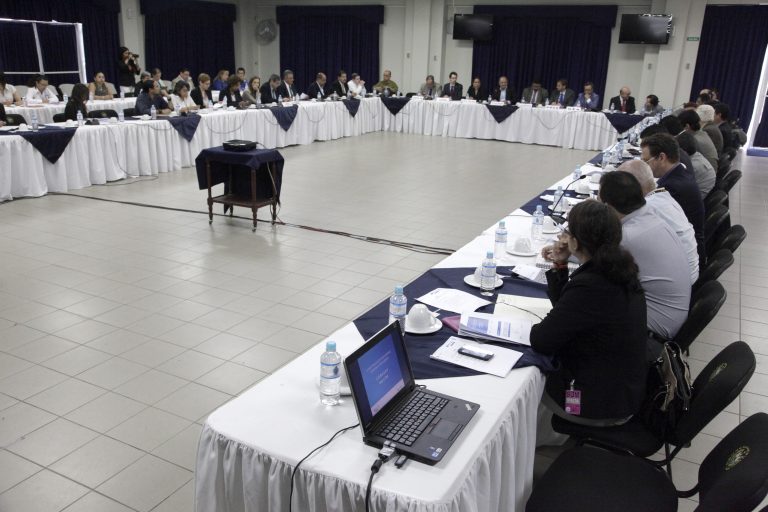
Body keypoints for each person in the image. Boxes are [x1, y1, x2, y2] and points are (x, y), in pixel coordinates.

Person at [532, 200, 648, 425]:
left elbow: (541, 340)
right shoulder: (620, 267)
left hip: (595, 403)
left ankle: (547, 436)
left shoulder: (591, 284)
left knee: (529, 381)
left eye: (568, 232)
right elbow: (568, 307)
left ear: (575, 242)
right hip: (622, 391)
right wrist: (560, 265)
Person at [599, 171, 691, 343]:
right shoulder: (651, 217)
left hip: (652, 330)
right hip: (671, 315)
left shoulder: (629, 236)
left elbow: (590, 259)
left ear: (608, 207)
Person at [619, 160, 699, 284]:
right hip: (686, 273)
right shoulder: (663, 196)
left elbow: (620, 239)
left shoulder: (648, 208)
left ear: (633, 187)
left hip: (679, 281)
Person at [641, 133, 705, 266]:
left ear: (661, 157)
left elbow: (645, 221)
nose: (644, 166)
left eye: (646, 161)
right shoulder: (680, 172)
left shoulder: (671, 188)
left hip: (683, 258)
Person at [677, 131, 716, 199]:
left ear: (683, 151)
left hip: (695, 198)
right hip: (702, 191)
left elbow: (678, 185)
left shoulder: (691, 165)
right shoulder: (697, 155)